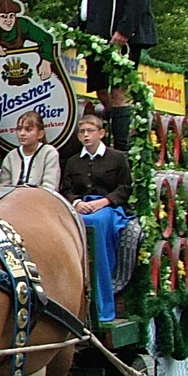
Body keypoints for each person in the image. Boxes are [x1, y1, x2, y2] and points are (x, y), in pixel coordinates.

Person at [75, 0, 156, 153]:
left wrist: (125, 28)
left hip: (119, 36)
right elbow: (88, 2)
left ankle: (122, 151)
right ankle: (109, 143)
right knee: (101, 90)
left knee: (119, 88)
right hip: (95, 36)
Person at [58, 113, 131, 322]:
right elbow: (67, 189)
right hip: (82, 206)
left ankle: (103, 304)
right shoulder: (73, 161)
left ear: (101, 133)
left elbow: (124, 188)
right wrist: (77, 203)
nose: (85, 135)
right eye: (82, 132)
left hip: (108, 208)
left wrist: (103, 202)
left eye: (90, 131)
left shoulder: (117, 158)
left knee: (95, 223)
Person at [0, 109, 61, 190]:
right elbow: (4, 187)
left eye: (28, 129)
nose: (22, 133)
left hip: (41, 200)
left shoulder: (49, 153)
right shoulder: (11, 156)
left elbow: (50, 186)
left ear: (40, 134)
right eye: (19, 129)